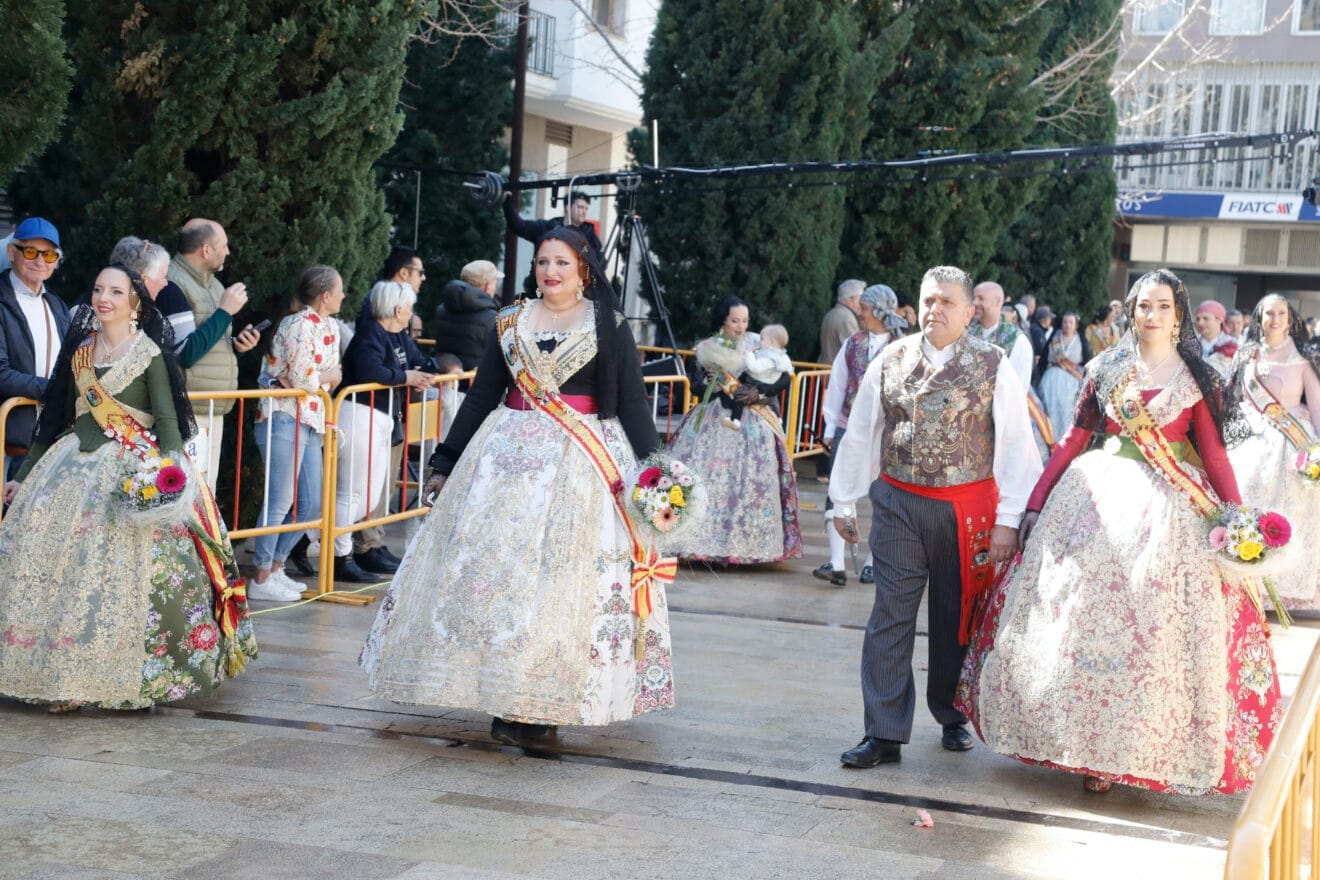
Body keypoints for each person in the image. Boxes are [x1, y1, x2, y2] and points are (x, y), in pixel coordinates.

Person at [959, 268, 1279, 795]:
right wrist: (1036, 504)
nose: (1151, 315)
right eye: (1143, 306)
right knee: (1080, 620)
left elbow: (1215, 456)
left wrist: (1236, 517)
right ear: (1131, 312)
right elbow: (1071, 440)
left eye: (1162, 307)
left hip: (1171, 510)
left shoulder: (1198, 377)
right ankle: (1084, 745)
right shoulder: (1107, 367)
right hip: (1094, 502)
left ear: (1178, 315)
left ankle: (1136, 747)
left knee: (1155, 627)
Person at [362, 226, 674, 744]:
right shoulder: (510, 322)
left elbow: (635, 404)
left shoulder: (608, 325)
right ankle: (491, 688)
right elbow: (484, 394)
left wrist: (659, 472)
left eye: (562, 263)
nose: (550, 272)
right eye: (542, 262)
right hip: (500, 470)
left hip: (580, 470)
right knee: (494, 578)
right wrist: (445, 459)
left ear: (584, 271)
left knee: (558, 584)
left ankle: (537, 704)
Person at [0, 265, 256, 711]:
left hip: (128, 472)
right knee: (57, 574)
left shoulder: (150, 353)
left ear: (134, 301)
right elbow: (51, 424)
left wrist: (171, 476)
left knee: (120, 581)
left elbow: (169, 422)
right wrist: (21, 479)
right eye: (98, 289)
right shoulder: (79, 352)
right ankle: (62, 677)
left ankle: (125, 678)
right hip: (67, 471)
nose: (104, 298)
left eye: (116, 291)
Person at [830, 265, 1041, 769]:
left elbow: (1016, 445)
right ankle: (882, 731)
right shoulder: (891, 358)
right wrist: (843, 499)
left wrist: (1009, 519)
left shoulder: (993, 363)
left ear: (970, 312)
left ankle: (951, 713)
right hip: (899, 502)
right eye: (928, 300)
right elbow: (863, 430)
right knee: (890, 614)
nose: (935, 310)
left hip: (965, 511)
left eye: (947, 302)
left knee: (955, 616)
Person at [665, 297, 803, 564]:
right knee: (707, 477)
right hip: (713, 416)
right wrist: (705, 381)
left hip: (754, 418)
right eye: (735, 320)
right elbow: (693, 386)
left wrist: (761, 391)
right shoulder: (708, 348)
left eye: (745, 320)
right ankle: (697, 542)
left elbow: (785, 374)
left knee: (750, 482)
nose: (741, 326)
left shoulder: (758, 342)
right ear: (722, 321)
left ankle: (745, 544)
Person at [249, 265, 344, 601]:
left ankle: (275, 566)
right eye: (340, 289)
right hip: (283, 416)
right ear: (325, 294)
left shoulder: (329, 325)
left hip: (310, 418)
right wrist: (321, 377)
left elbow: (326, 376)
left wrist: (318, 378)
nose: (344, 295)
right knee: (280, 500)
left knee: (312, 504)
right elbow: (309, 379)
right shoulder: (297, 324)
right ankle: (261, 576)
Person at [335, 280, 439, 581]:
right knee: (351, 492)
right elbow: (371, 371)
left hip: (383, 418)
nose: (411, 312)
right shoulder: (372, 333)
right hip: (358, 412)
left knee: (369, 498)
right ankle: (339, 555)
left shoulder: (399, 337)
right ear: (397, 309)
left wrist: (423, 373)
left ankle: (314, 536)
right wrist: (407, 377)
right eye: (409, 307)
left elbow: (422, 362)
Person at [1226, 294, 1320, 610]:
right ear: (1260, 318)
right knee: (1248, 505)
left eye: (1281, 313)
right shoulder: (1247, 355)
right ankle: (1249, 587)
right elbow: (1232, 401)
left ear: (1290, 318)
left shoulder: (1303, 357)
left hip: (1292, 445)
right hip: (1250, 440)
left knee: (1294, 512)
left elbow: (1317, 407)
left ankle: (1288, 591)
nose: (1275, 319)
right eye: (1269, 313)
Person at [813, 284, 907, 587]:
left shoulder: (903, 346)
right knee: (840, 490)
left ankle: (872, 562)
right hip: (848, 425)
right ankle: (837, 563)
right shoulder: (852, 343)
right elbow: (838, 385)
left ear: (878, 311)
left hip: (886, 430)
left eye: (864, 308)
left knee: (883, 495)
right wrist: (830, 428)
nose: (860, 313)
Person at [166, 219, 261, 490]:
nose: (228, 252)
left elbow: (208, 340)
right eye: (224, 245)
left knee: (205, 491)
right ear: (206, 250)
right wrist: (224, 312)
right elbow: (184, 353)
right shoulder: (173, 283)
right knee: (185, 493)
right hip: (189, 409)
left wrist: (236, 343)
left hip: (212, 406)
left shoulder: (216, 286)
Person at [1, 218, 72, 482]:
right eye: (30, 251)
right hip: (9, 441)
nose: (40, 261)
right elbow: (1, 372)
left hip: (49, 439)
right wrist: (54, 390)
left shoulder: (56, 304)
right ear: (12, 253)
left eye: (50, 254)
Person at [504, 190, 604, 267]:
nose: (584, 211)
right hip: (546, 286)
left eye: (586, 208)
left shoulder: (590, 236)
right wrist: (507, 201)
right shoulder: (547, 228)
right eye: (580, 207)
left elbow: (600, 263)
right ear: (567, 207)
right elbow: (518, 225)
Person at [433, 259, 502, 370]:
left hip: (447, 380)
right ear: (487, 286)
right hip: (477, 381)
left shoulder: (441, 309)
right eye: (495, 282)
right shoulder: (492, 317)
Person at [724, 323, 793, 429]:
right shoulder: (781, 357)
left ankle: (735, 420)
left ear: (772, 342)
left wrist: (749, 354)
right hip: (767, 392)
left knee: (739, 398)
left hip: (756, 388)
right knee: (773, 401)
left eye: (761, 338)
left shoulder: (767, 353)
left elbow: (756, 368)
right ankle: (778, 417)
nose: (759, 341)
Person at [1038, 311, 1090, 440]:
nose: (1067, 325)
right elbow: (1044, 360)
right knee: (1051, 410)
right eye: (1065, 322)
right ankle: (1051, 439)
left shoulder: (1080, 340)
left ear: (1076, 325)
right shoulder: (1055, 339)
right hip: (1052, 380)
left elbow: (1086, 361)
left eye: (1071, 322)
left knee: (1069, 411)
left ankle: (1069, 440)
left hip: (1074, 379)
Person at [969, 282, 1033, 383]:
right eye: (974, 298)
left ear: (997, 302)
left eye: (981, 298)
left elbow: (1018, 387)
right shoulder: (967, 332)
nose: (974, 303)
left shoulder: (1017, 340)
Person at [818, 279, 864, 364]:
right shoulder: (847, 318)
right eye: (860, 299)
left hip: (826, 372)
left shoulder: (832, 313)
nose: (862, 303)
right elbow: (856, 351)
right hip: (836, 373)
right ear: (851, 299)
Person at [1195, 299, 1238, 379]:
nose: (1200, 323)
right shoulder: (1191, 345)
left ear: (1219, 320)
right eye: (1198, 319)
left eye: (1205, 318)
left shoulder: (1232, 344)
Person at [1028, 306, 1054, 386]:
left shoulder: (1036, 328)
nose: (1051, 321)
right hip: (1034, 367)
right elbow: (1042, 350)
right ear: (1045, 319)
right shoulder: (1038, 331)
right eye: (1050, 318)